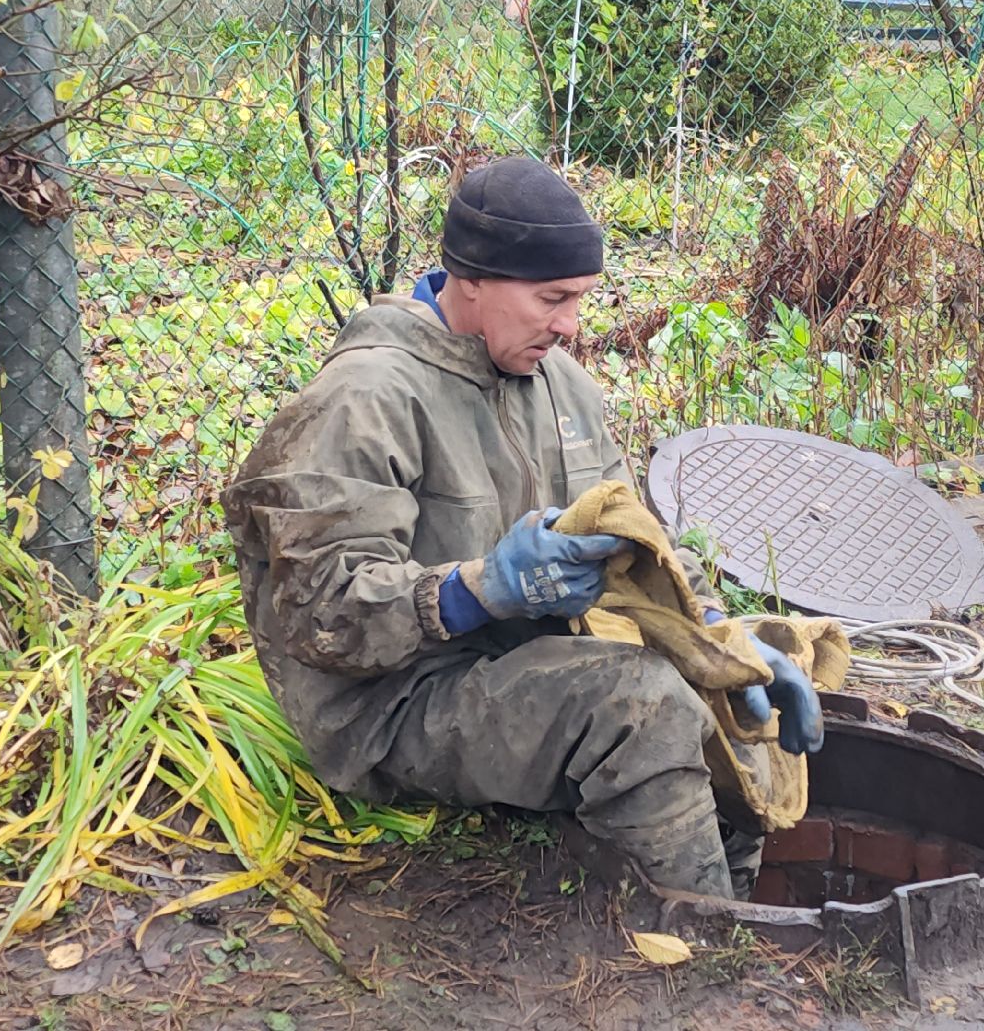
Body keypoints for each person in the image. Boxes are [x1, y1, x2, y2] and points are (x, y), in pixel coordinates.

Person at [221, 158, 822, 901]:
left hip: (525, 663)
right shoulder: (365, 398)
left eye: (579, 300)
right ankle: (708, 938)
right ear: (471, 279)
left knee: (716, 679)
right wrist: (477, 590)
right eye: (552, 298)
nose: (571, 325)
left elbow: (637, 544)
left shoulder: (560, 383)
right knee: (642, 705)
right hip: (393, 705)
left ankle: (739, 900)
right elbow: (320, 617)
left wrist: (718, 634)